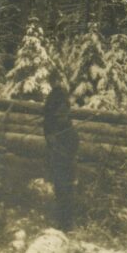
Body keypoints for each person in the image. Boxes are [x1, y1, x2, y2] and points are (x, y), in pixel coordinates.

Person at [43, 82, 79, 231]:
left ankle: (65, 222)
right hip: (62, 161)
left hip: (64, 161)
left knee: (63, 190)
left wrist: (56, 147)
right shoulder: (58, 120)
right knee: (63, 190)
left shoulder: (68, 131)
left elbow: (71, 148)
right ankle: (64, 222)